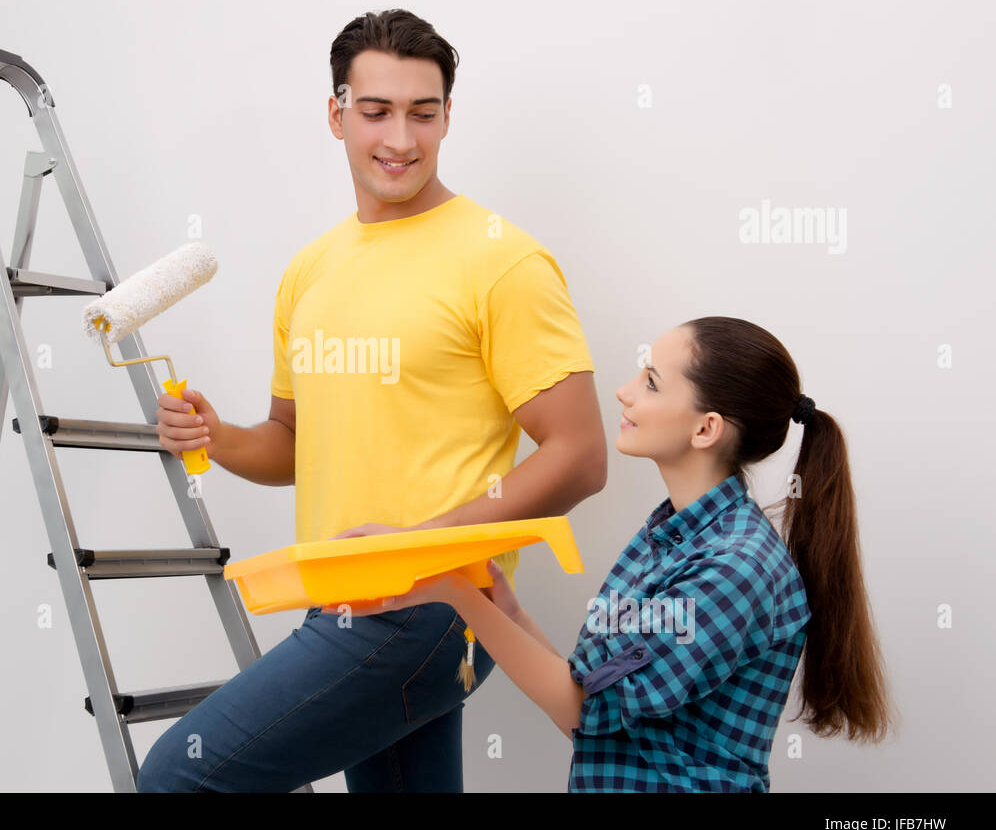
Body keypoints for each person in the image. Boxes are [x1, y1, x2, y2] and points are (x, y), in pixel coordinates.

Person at [135, 8, 607, 792]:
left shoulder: (502, 260)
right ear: (336, 114)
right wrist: (217, 436)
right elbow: (292, 441)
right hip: (342, 604)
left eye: (424, 113)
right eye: (376, 110)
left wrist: (422, 547)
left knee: (179, 778)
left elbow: (581, 454)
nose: (401, 138)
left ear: (448, 116)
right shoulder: (310, 270)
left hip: (433, 609)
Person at [352, 317, 896, 790]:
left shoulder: (735, 567)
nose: (624, 392)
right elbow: (587, 702)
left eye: (651, 383)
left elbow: (585, 711)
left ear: (706, 429)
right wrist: (501, 604)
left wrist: (455, 594)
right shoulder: (671, 536)